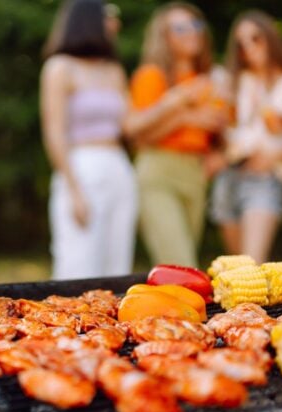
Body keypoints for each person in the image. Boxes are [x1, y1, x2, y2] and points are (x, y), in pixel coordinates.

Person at [124, 2, 228, 268]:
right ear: (164, 36)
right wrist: (178, 107)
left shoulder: (210, 80)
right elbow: (135, 130)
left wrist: (219, 154)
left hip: (195, 174)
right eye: (180, 27)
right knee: (180, 263)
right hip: (159, 170)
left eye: (196, 25)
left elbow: (224, 131)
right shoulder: (152, 75)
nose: (191, 32)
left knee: (181, 268)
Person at [41, 0, 137, 280]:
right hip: (80, 166)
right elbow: (54, 132)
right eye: (110, 16)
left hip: (118, 167)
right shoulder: (60, 68)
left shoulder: (113, 70)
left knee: (117, 264)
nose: (115, 23)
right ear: (89, 19)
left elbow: (130, 126)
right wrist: (73, 189)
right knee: (78, 263)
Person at [211, 10, 282, 264]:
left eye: (255, 38)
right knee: (236, 270)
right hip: (230, 177)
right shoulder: (237, 82)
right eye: (241, 43)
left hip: (265, 179)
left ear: (270, 37)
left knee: (251, 264)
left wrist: (279, 150)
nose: (248, 47)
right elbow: (229, 132)